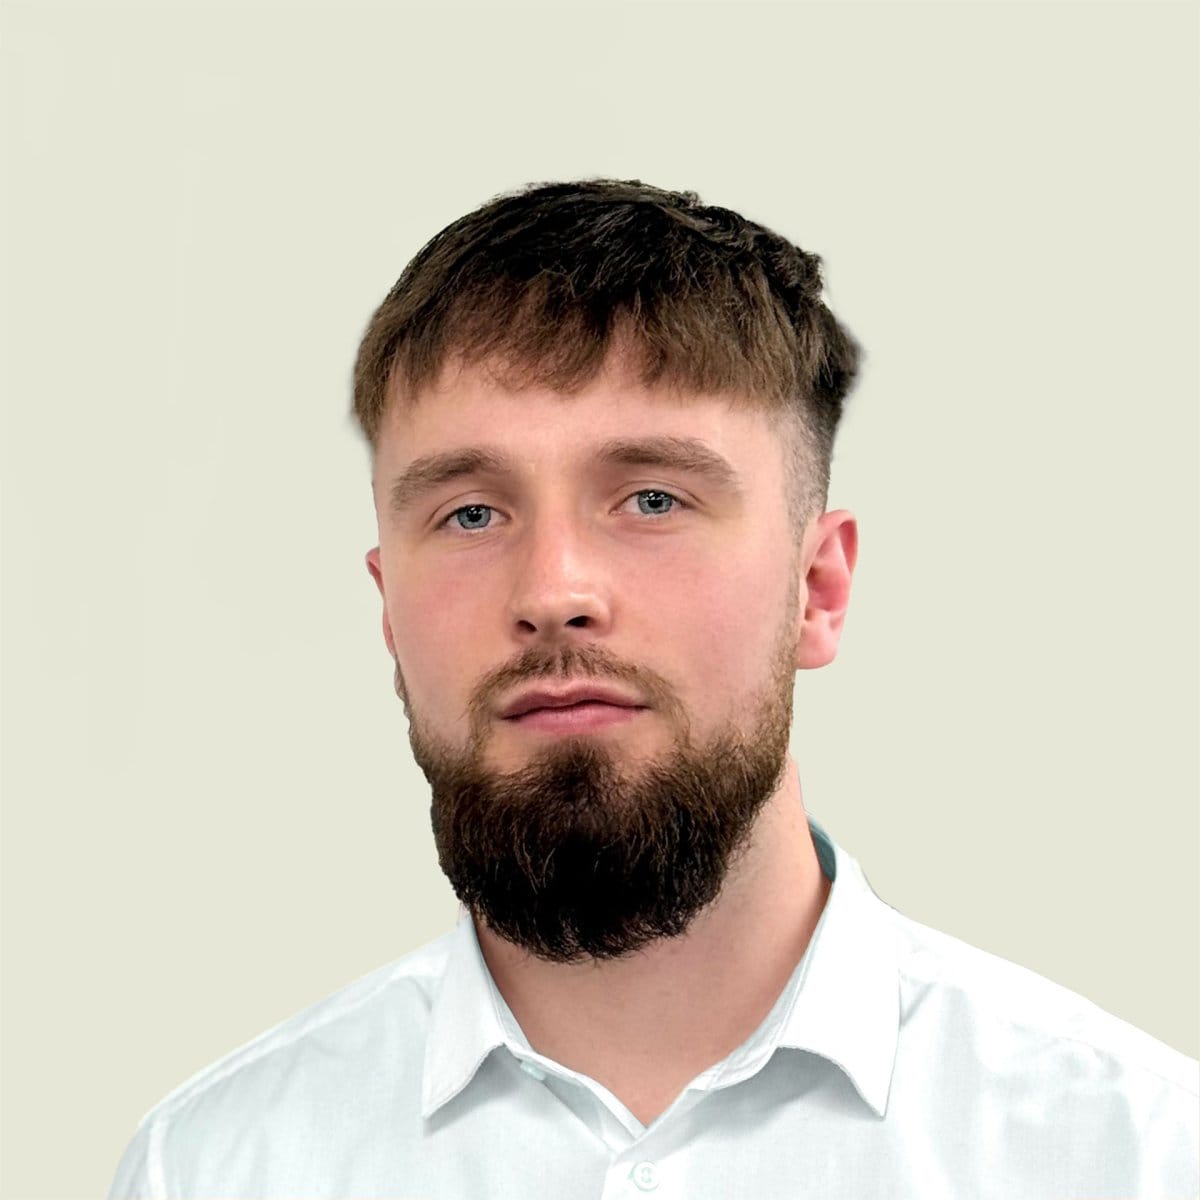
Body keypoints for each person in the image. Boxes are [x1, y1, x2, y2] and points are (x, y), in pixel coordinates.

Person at [108, 179, 1198, 1199]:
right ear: (391, 614)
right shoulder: (213, 1170)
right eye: (471, 514)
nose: (553, 593)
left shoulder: (1134, 1154)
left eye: (653, 500)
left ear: (818, 591)